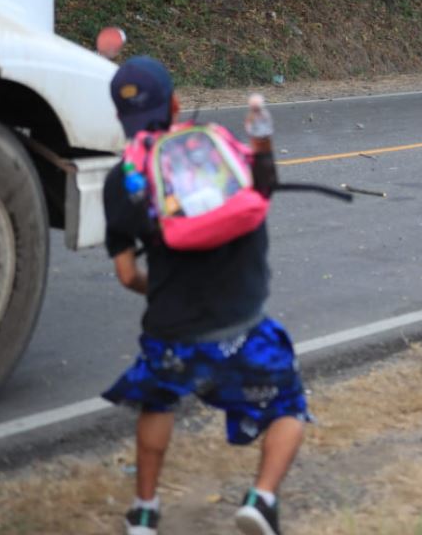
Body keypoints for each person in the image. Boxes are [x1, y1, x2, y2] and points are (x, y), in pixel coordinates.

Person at [100, 56, 307, 535]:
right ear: (174, 103)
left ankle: (146, 512)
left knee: (158, 401)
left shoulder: (123, 179)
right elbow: (262, 191)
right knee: (289, 406)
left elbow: (127, 273)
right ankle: (262, 499)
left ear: (119, 117)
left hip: (170, 331)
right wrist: (262, 141)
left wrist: (163, 292)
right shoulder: (217, 148)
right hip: (241, 326)